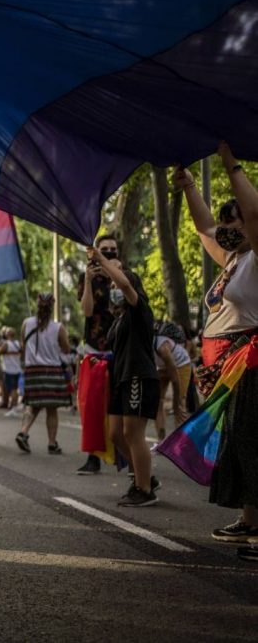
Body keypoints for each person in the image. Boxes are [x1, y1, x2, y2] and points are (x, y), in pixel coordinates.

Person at [176, 145, 258, 560]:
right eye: (226, 222)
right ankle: (250, 519)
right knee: (240, 440)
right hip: (227, 366)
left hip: (252, 363)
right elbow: (203, 227)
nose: (226, 228)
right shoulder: (233, 260)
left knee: (251, 439)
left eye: (235, 221)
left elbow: (256, 215)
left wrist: (231, 165)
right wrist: (189, 184)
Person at [88, 249, 159, 507]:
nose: (115, 288)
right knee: (117, 433)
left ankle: (144, 489)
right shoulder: (119, 319)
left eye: (118, 282)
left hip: (139, 376)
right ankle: (145, 476)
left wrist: (103, 261)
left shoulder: (139, 308)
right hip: (123, 379)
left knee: (133, 433)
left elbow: (125, 283)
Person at [76, 235, 121, 473]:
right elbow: (87, 310)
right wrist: (88, 280)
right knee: (92, 405)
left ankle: (121, 455)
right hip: (94, 349)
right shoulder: (87, 278)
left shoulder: (122, 276)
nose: (110, 253)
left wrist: (115, 274)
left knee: (116, 406)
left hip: (118, 348)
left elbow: (121, 307)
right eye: (105, 249)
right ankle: (93, 457)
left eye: (113, 249)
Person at [15, 293, 71, 455]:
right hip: (51, 371)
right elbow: (66, 348)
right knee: (52, 409)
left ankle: (23, 432)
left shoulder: (26, 323)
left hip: (32, 370)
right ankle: (52, 443)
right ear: (52, 307)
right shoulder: (58, 327)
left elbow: (23, 345)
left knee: (33, 405)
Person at [153, 323, 191, 441]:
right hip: (163, 367)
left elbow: (175, 380)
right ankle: (161, 440)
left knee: (180, 401)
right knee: (157, 402)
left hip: (180, 364)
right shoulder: (141, 346)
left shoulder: (162, 347)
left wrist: (175, 406)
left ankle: (181, 442)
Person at [0, 327, 23, 415]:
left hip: (8, 370)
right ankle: (13, 406)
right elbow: (23, 353)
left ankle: (14, 407)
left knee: (12, 389)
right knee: (14, 388)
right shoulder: (18, 344)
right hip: (17, 369)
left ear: (7, 334)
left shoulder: (6, 344)